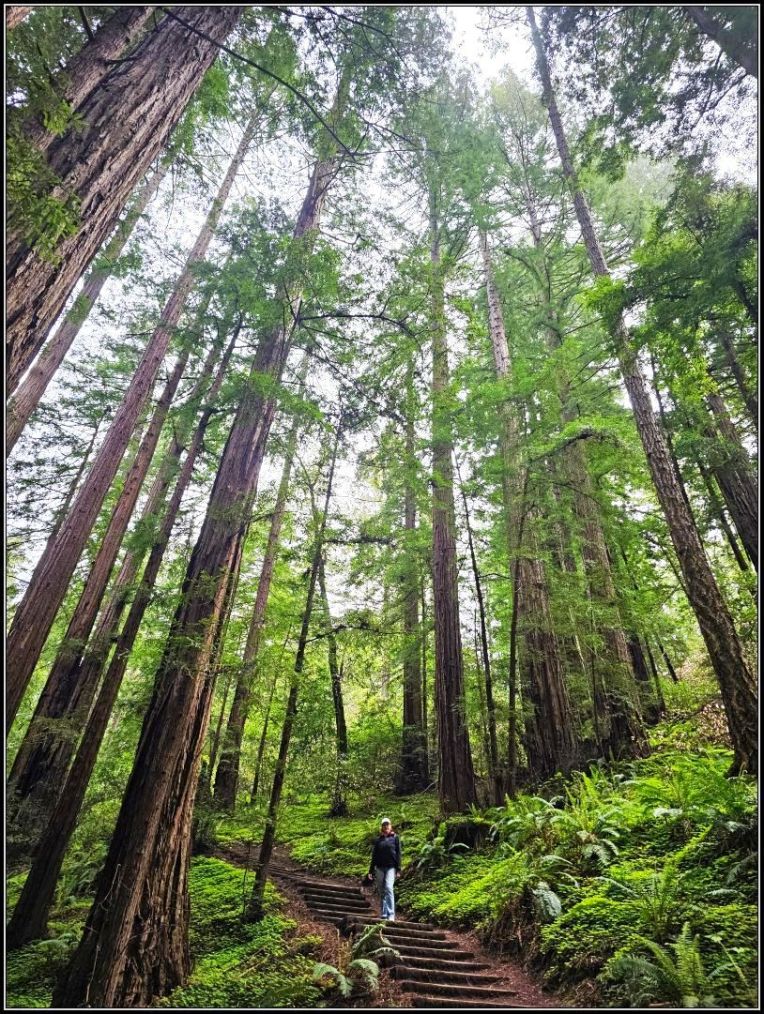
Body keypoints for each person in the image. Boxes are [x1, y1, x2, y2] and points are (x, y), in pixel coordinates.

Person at [366, 817, 401, 921]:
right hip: (379, 868)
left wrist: (398, 869)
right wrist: (371, 871)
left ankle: (391, 914)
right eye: (384, 825)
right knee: (382, 891)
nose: (386, 827)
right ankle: (384, 913)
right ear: (381, 827)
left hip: (391, 868)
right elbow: (374, 856)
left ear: (390, 826)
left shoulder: (395, 838)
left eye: (387, 825)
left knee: (389, 888)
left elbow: (399, 854)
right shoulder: (378, 840)